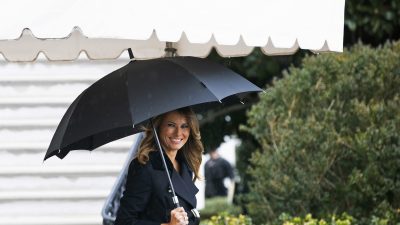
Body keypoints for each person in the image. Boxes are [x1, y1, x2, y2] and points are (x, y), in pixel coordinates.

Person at [115, 107, 203, 225]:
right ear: (158, 127)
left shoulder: (186, 165)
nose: (178, 133)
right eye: (171, 125)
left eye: (184, 126)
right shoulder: (145, 166)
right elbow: (124, 221)